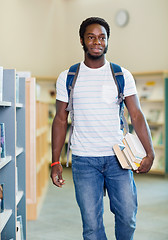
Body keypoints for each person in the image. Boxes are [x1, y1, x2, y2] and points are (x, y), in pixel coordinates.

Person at [50, 17, 155, 240]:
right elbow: (60, 119)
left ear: (107, 41)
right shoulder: (68, 77)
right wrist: (56, 161)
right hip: (84, 160)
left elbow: (136, 115)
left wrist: (150, 152)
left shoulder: (121, 75)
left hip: (119, 159)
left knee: (127, 217)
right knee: (91, 226)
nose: (97, 41)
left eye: (102, 37)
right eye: (91, 37)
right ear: (82, 40)